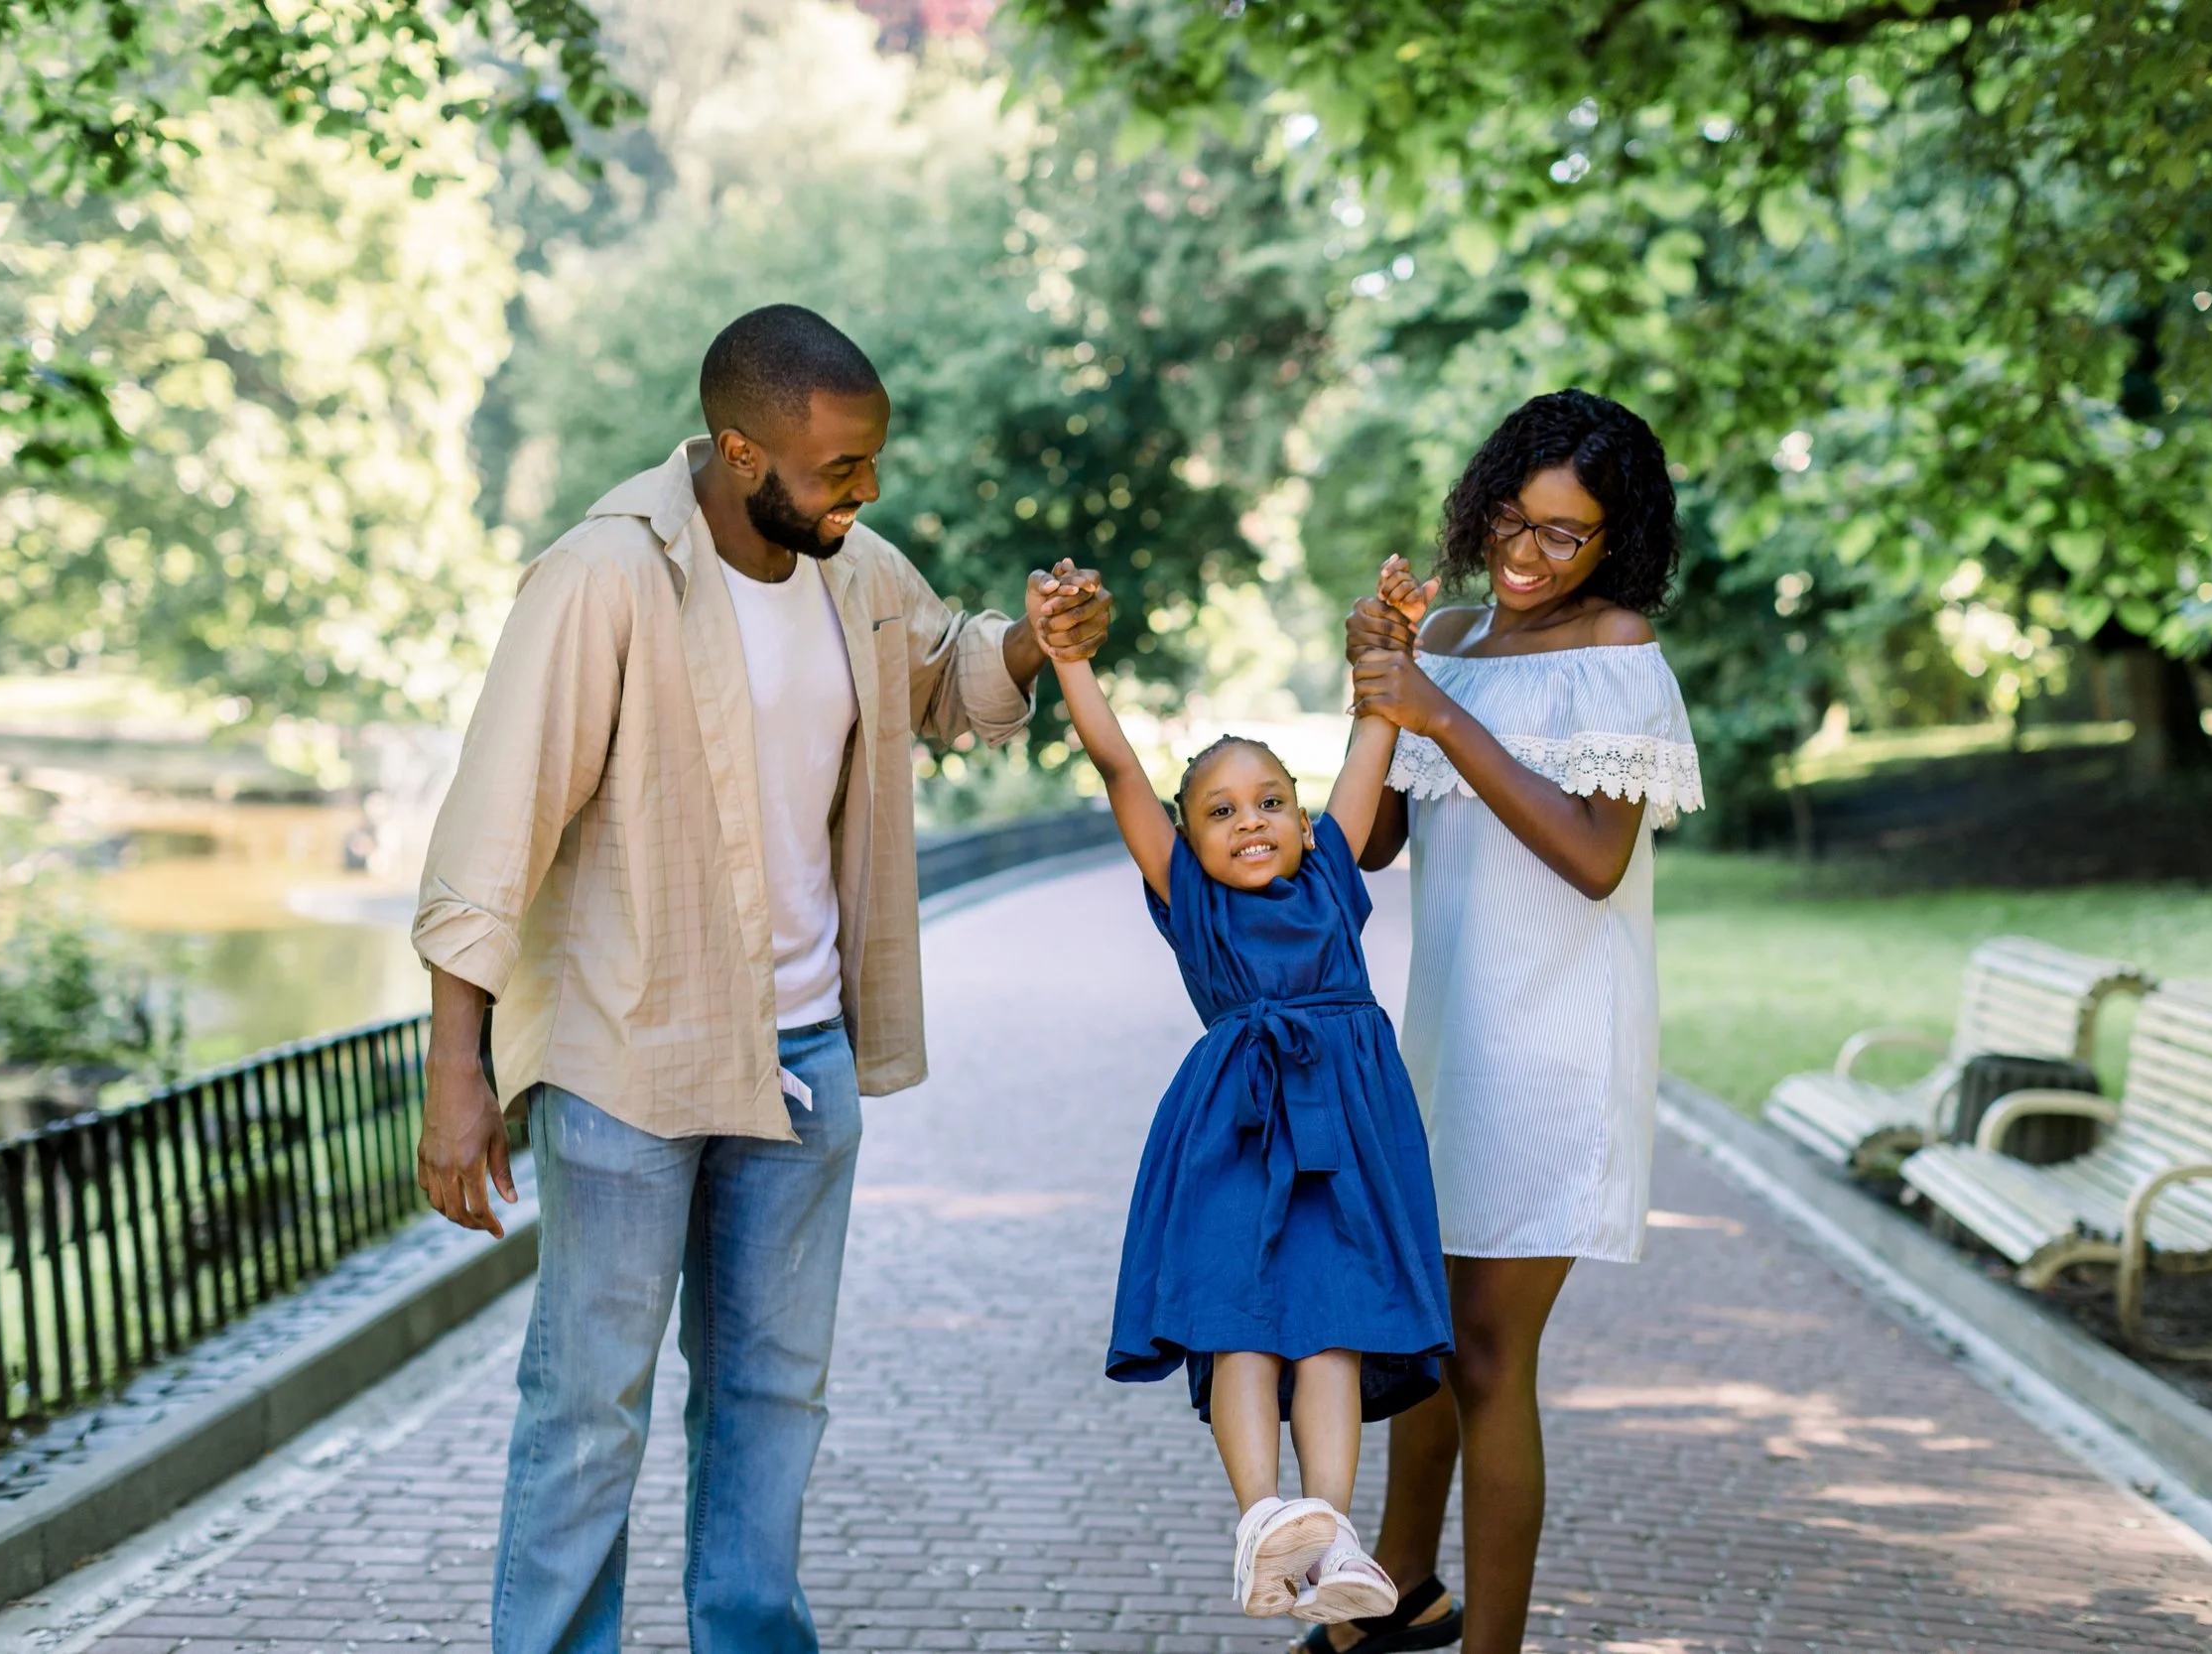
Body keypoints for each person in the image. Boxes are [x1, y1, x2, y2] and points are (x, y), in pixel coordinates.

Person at [407, 304, 1111, 1654]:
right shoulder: (603, 578)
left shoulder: (854, 565)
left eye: (872, 463)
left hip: (806, 1056)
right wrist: (460, 1072)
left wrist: (1030, 641)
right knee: (587, 1404)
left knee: (774, 1396)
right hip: (629, 1055)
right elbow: (493, 828)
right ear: (740, 452)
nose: (868, 490)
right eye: (841, 468)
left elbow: (942, 683)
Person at [1318, 389, 1706, 1654]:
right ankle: (1401, 1587)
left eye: (1565, 535)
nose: (1527, 556)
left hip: (1557, 1050)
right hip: (1448, 1044)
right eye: (1513, 520)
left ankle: (1494, 1644)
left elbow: (1595, 858)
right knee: (1425, 1338)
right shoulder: (1452, 633)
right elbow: (1367, 843)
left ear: (1614, 542)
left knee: (1487, 1353)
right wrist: (1383, 685)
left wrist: (1440, 713)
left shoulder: (1617, 648)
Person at [1046, 567, 1454, 1627]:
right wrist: (1070, 661)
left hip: (1348, 1133)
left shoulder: (1331, 873)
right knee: (1242, 1328)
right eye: (1220, 812)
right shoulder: (1189, 899)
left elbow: (1374, 729)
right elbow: (1117, 763)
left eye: (1272, 800)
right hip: (1234, 1128)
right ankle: (1260, 1515)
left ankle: (1330, 1534)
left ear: (1304, 819)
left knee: (1331, 1330)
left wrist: (1394, 643)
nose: (1252, 820)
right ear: (1185, 837)